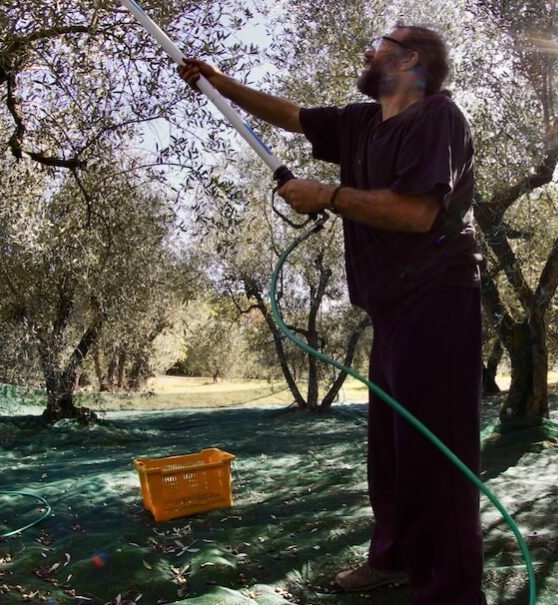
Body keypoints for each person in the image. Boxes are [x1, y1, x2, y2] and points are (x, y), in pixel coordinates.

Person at [178, 24, 485, 605]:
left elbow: (418, 212)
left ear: (410, 58)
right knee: (391, 454)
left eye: (379, 44)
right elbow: (293, 116)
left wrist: (329, 195)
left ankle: (450, 593)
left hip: (439, 301)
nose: (367, 51)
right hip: (391, 310)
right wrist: (221, 84)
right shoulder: (361, 123)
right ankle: (393, 559)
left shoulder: (440, 118)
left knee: (434, 459)